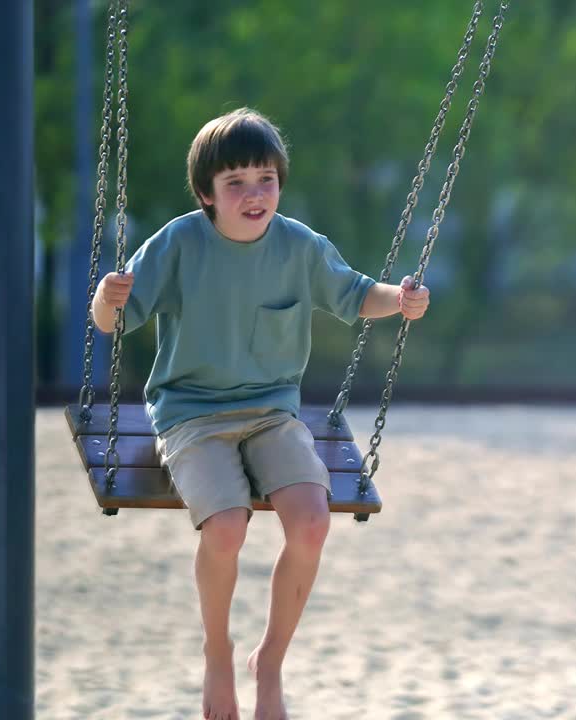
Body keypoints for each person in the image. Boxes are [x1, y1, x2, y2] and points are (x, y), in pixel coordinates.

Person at [91, 107, 430, 720]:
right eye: (236, 183)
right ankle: (217, 653)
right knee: (226, 527)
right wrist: (105, 298)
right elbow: (114, 320)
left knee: (311, 523)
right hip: (191, 414)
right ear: (206, 194)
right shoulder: (176, 243)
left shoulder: (300, 246)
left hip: (272, 414)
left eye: (265, 178)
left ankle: (269, 660)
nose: (254, 194)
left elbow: (358, 295)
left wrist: (400, 300)